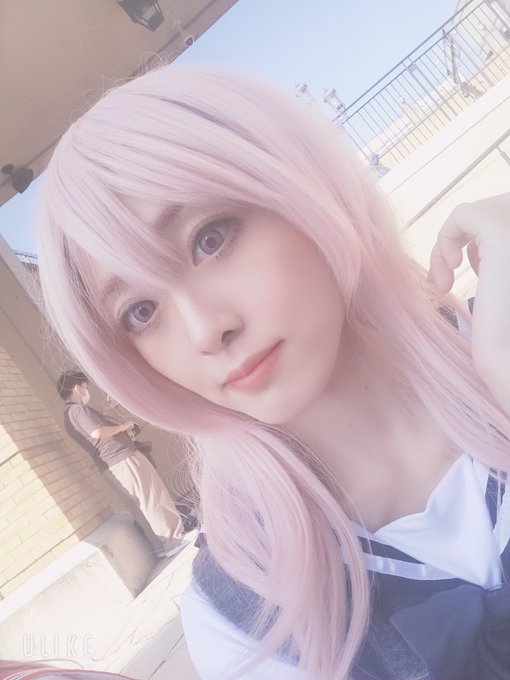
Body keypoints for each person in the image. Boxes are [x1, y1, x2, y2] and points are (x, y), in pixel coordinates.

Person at [36, 66, 510, 680]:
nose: (205, 330)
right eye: (142, 312)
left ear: (300, 183)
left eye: (210, 238)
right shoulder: (239, 621)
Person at [56, 370, 193, 558]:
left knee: (139, 507)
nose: (87, 391)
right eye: (85, 386)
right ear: (77, 388)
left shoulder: (69, 416)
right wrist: (124, 426)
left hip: (111, 466)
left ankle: (161, 547)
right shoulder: (78, 410)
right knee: (152, 497)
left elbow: (92, 432)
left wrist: (103, 410)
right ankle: (173, 540)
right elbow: (97, 432)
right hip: (122, 459)